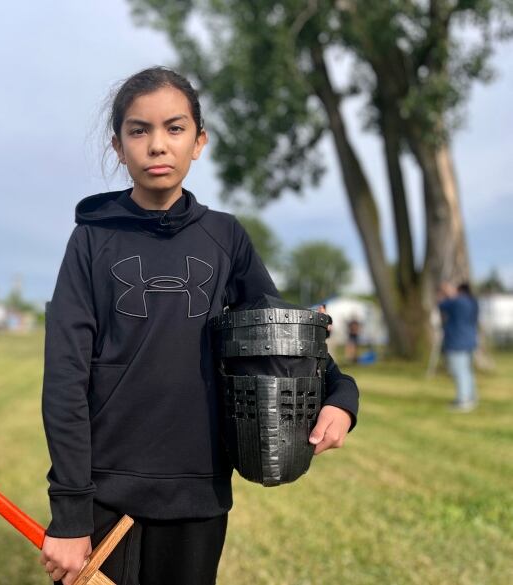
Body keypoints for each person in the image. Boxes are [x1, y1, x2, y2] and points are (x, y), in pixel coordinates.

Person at [39, 67, 360, 585]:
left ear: (199, 142)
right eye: (138, 131)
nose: (157, 145)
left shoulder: (224, 237)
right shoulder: (92, 242)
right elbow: (64, 378)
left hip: (199, 488)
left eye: (174, 128)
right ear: (118, 147)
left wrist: (340, 395)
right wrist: (71, 513)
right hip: (105, 492)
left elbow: (280, 333)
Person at [438, 281, 479, 411]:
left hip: (457, 341)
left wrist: (446, 293)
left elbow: (440, 304)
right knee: (467, 371)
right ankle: (471, 397)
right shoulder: (473, 302)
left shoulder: (457, 302)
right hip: (470, 340)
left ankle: (463, 400)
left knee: (459, 371)